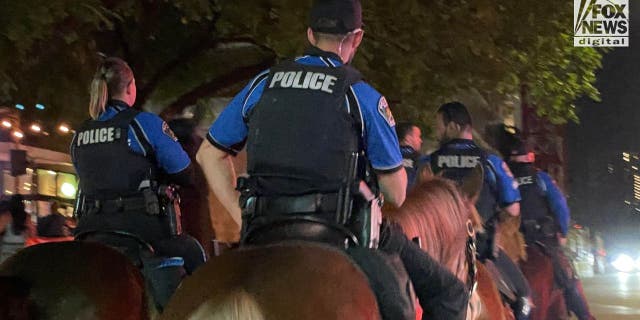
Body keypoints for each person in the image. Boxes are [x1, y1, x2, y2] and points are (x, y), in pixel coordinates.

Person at [197, 1, 468, 319]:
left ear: (311, 35)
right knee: (449, 292)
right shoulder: (363, 96)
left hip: (262, 228)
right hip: (342, 234)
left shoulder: (262, 84)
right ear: (357, 38)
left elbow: (209, 154)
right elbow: (396, 193)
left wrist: (240, 215)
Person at [70, 57, 205, 309]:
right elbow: (185, 173)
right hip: (142, 230)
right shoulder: (144, 124)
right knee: (193, 252)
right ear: (130, 87)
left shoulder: (80, 134)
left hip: (89, 230)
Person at [429, 101, 532, 320]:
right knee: (523, 296)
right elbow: (513, 208)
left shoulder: (429, 161)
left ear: (454, 126)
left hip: (436, 252)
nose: (437, 131)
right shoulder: (491, 161)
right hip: (481, 249)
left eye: (440, 125)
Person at [507, 140, 595, 320]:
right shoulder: (540, 178)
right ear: (528, 157)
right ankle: (585, 316)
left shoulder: (505, 178)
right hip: (542, 240)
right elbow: (560, 206)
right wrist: (562, 232)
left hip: (512, 240)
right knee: (567, 277)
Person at [396, 122, 430, 191]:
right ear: (408, 138)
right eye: (418, 136)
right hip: (412, 199)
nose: (421, 141)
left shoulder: (388, 156)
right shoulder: (421, 160)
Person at [0, 196, 30, 263]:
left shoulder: (6, 215)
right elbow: (32, 234)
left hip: (5, 258)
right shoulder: (26, 217)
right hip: (19, 258)